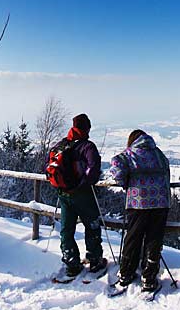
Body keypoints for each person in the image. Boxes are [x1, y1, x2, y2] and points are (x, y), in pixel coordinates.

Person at [105, 129, 171, 295]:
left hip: (138, 201)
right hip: (160, 202)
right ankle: (149, 278)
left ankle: (126, 273)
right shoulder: (158, 153)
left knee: (133, 237)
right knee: (154, 239)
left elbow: (116, 165)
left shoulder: (130, 153)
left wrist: (124, 183)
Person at [53, 114, 106, 280]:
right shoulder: (87, 146)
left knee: (67, 229)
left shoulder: (62, 145)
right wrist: (84, 183)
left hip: (63, 194)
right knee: (92, 225)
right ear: (87, 128)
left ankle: (71, 263)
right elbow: (94, 169)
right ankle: (95, 259)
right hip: (82, 193)